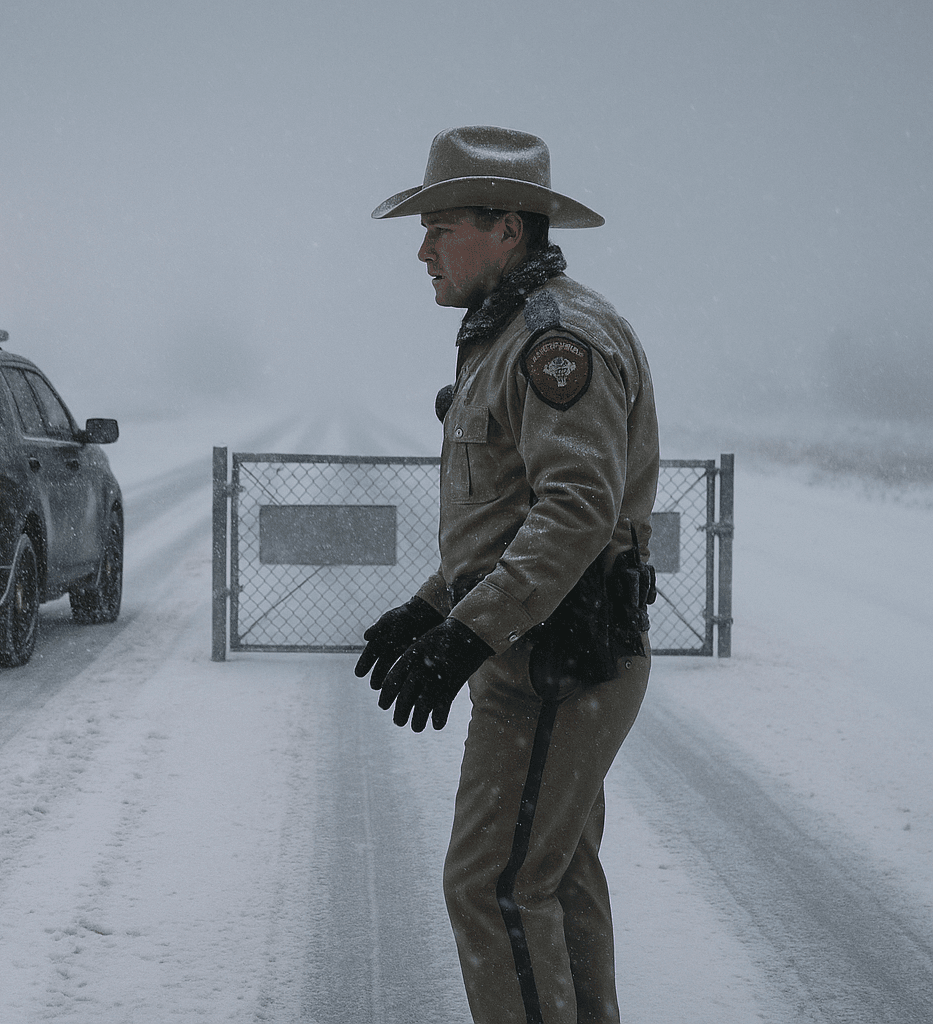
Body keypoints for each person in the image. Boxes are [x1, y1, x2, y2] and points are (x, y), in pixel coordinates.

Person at [355, 126, 660, 1024]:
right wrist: (431, 609)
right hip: (543, 650)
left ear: (508, 228)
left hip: (555, 662)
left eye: (441, 227)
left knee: (491, 888)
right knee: (553, 877)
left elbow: (573, 513)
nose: (422, 251)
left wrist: (468, 635)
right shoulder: (504, 339)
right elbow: (507, 523)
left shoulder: (555, 343)